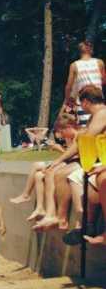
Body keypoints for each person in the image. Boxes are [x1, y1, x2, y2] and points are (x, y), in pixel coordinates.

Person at [45, 86, 106, 241]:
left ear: (86, 102)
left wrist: (60, 159)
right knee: (72, 177)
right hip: (95, 160)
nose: (80, 108)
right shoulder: (94, 117)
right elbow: (81, 143)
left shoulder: (102, 114)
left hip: (99, 161)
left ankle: (81, 224)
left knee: (78, 178)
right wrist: (60, 160)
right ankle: (80, 224)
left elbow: (84, 142)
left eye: (80, 104)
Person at [63, 40, 104, 127]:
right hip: (98, 101)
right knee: (100, 126)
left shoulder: (74, 65)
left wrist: (68, 101)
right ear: (91, 50)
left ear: (79, 51)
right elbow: (104, 80)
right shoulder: (99, 63)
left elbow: (69, 86)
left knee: (85, 127)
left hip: (84, 103)